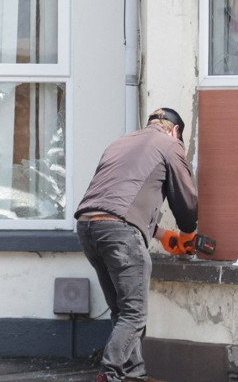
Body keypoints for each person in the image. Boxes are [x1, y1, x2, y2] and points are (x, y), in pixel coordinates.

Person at [75, 108, 199, 382]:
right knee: (134, 313)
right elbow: (186, 200)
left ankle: (133, 375)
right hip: (120, 233)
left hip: (87, 228)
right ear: (175, 130)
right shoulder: (170, 144)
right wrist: (188, 232)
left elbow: (114, 201)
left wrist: (161, 234)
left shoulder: (120, 143)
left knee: (122, 311)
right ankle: (110, 374)